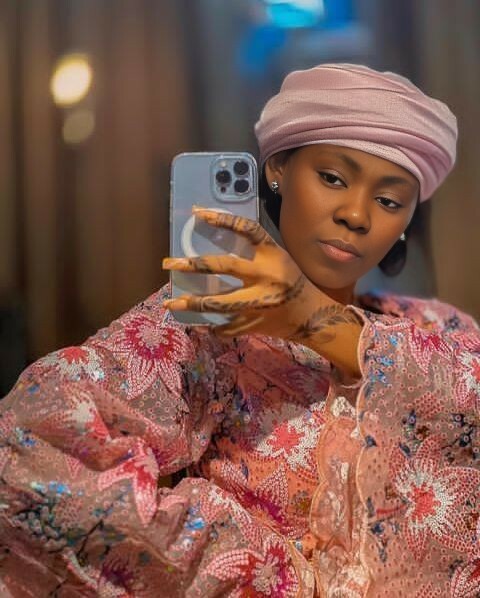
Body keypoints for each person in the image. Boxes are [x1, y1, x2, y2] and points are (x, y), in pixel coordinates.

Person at [0, 63, 478, 597]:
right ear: (278, 170)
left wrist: (319, 325)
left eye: (389, 201)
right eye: (332, 178)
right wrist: (267, 573)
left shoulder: (439, 328)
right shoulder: (212, 322)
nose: (356, 214)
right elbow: (29, 449)